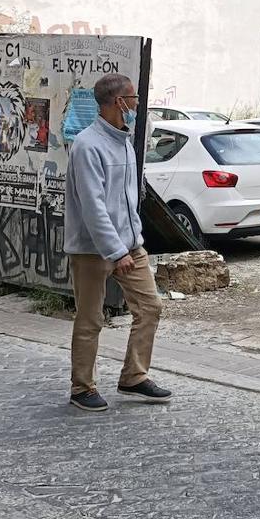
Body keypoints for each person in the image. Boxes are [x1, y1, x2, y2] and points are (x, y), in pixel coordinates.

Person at [64, 73, 171, 411]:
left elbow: (126, 198)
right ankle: (82, 387)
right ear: (117, 102)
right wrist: (115, 250)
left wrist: (132, 240)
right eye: (133, 98)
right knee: (90, 319)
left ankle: (133, 377)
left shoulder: (123, 140)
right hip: (91, 249)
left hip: (129, 244)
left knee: (150, 308)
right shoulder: (87, 145)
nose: (138, 104)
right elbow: (93, 206)